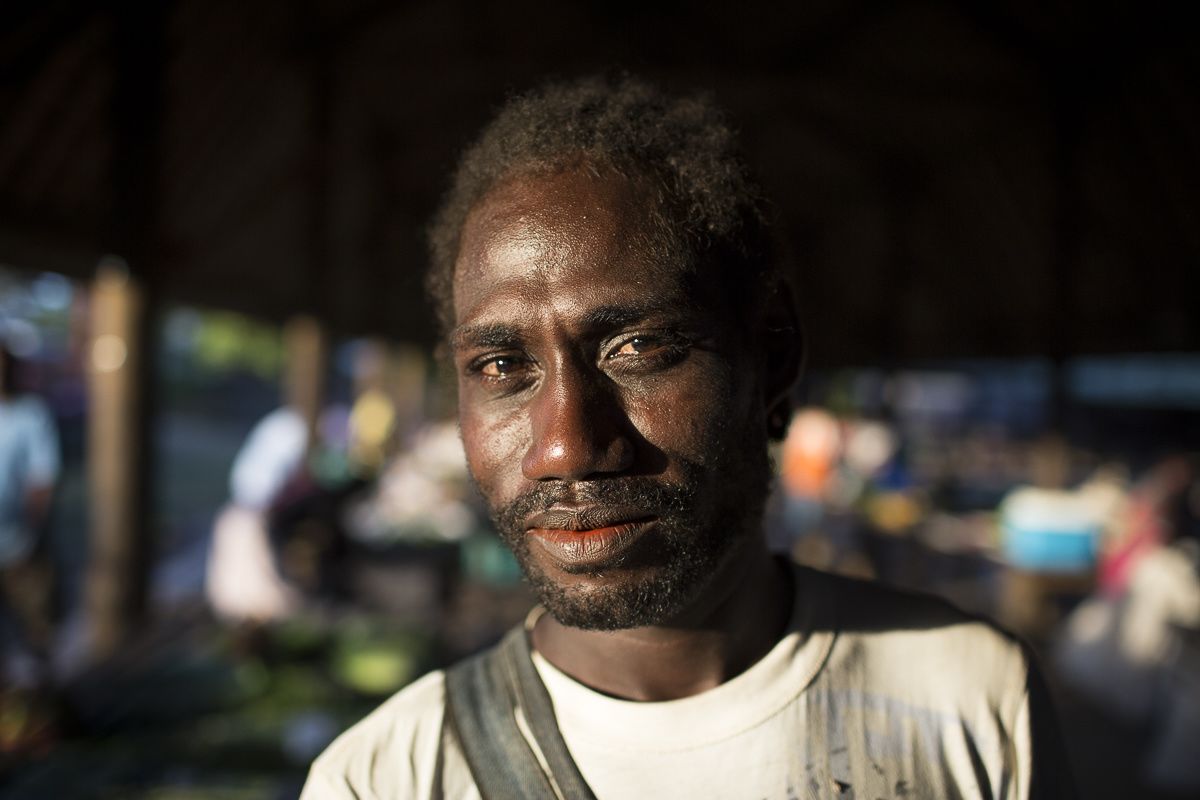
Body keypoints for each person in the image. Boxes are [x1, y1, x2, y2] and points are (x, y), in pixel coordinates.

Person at [302, 76, 1073, 799]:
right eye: (503, 365)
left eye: (637, 349)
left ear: (773, 359)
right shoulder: (385, 778)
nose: (566, 447)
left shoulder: (969, 699)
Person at [0, 341, 60, 680]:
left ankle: (42, 708)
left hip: (19, 547)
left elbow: (42, 479)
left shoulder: (30, 414)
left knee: (37, 632)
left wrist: (31, 535)